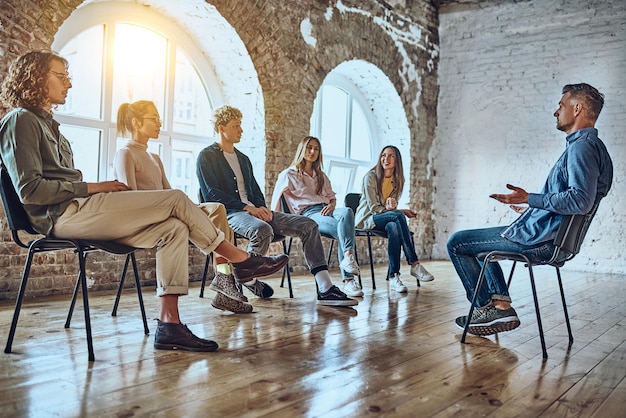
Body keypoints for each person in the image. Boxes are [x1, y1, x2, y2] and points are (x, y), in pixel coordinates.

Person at [0, 50, 289, 353]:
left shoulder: (49, 125)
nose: (68, 84)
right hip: (61, 216)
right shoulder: (20, 121)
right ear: (34, 77)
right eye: (60, 76)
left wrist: (94, 190)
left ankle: (170, 325)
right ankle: (239, 261)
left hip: (76, 210)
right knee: (176, 199)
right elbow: (31, 192)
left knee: (175, 228)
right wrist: (96, 187)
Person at [447, 83, 613, 336]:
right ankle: (500, 305)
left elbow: (580, 200)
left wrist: (530, 199)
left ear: (577, 108)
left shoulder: (582, 147)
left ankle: (486, 309)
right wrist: (532, 210)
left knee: (458, 243)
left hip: (544, 242)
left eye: (561, 105)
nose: (556, 112)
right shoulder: (590, 146)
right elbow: (573, 200)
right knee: (481, 247)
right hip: (549, 235)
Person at [196, 105, 358, 307]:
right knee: (262, 230)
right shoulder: (206, 157)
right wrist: (249, 209)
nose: (241, 130)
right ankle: (248, 278)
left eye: (240, 125)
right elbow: (212, 194)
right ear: (221, 128)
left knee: (309, 225)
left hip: (254, 211)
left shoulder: (243, 159)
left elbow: (254, 190)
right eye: (235, 126)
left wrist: (262, 208)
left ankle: (325, 288)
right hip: (231, 213)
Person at [113, 100, 252, 314]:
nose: (159, 123)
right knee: (200, 211)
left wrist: (191, 207)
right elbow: (130, 199)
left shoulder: (155, 157)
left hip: (169, 210)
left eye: (160, 119)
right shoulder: (125, 153)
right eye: (154, 119)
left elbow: (168, 191)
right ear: (137, 123)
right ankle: (230, 273)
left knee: (216, 208)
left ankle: (223, 279)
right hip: (146, 218)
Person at [271, 135, 363, 297]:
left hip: (328, 209)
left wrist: (332, 205)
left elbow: (332, 197)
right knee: (344, 230)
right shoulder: (289, 174)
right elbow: (276, 201)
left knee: (347, 211)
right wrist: (277, 229)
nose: (313, 151)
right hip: (309, 215)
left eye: (316, 148)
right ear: (302, 150)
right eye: (309, 147)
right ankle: (349, 280)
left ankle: (348, 258)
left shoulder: (321, 176)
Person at [354, 145, 434, 293]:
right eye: (384, 155)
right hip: (367, 219)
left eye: (391, 156)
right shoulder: (370, 177)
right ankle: (414, 263)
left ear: (397, 160)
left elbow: (389, 208)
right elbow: (374, 208)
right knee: (397, 217)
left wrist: (398, 210)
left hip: (384, 218)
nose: (386, 159)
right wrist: (398, 212)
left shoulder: (397, 181)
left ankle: (394, 277)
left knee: (393, 227)